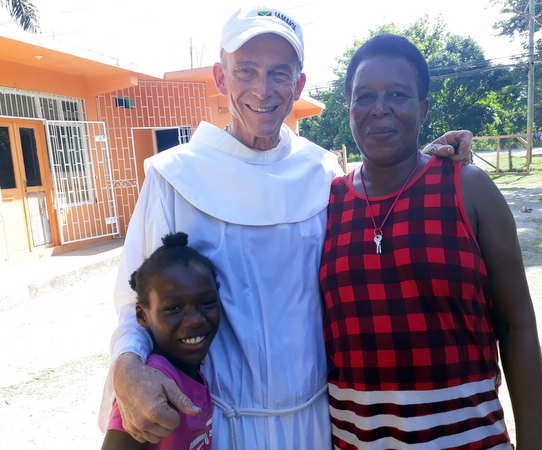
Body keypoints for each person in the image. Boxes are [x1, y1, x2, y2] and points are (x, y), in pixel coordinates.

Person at [99, 7, 473, 449]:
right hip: (221, 423)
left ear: (298, 85)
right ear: (222, 78)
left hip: (317, 421)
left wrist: (421, 161)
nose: (262, 89)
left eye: (279, 73)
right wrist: (126, 365)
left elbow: (371, 220)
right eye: (246, 71)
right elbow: (134, 299)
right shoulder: (173, 178)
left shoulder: (319, 170)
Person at [319, 34, 542, 449]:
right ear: (348, 108)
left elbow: (517, 326)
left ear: (422, 109)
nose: (380, 108)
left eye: (398, 95)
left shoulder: (469, 190)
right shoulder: (326, 203)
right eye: (364, 95)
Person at [101, 232, 220, 449]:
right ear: (142, 316)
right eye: (173, 308)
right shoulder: (152, 384)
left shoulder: (194, 372)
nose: (194, 321)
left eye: (208, 302)